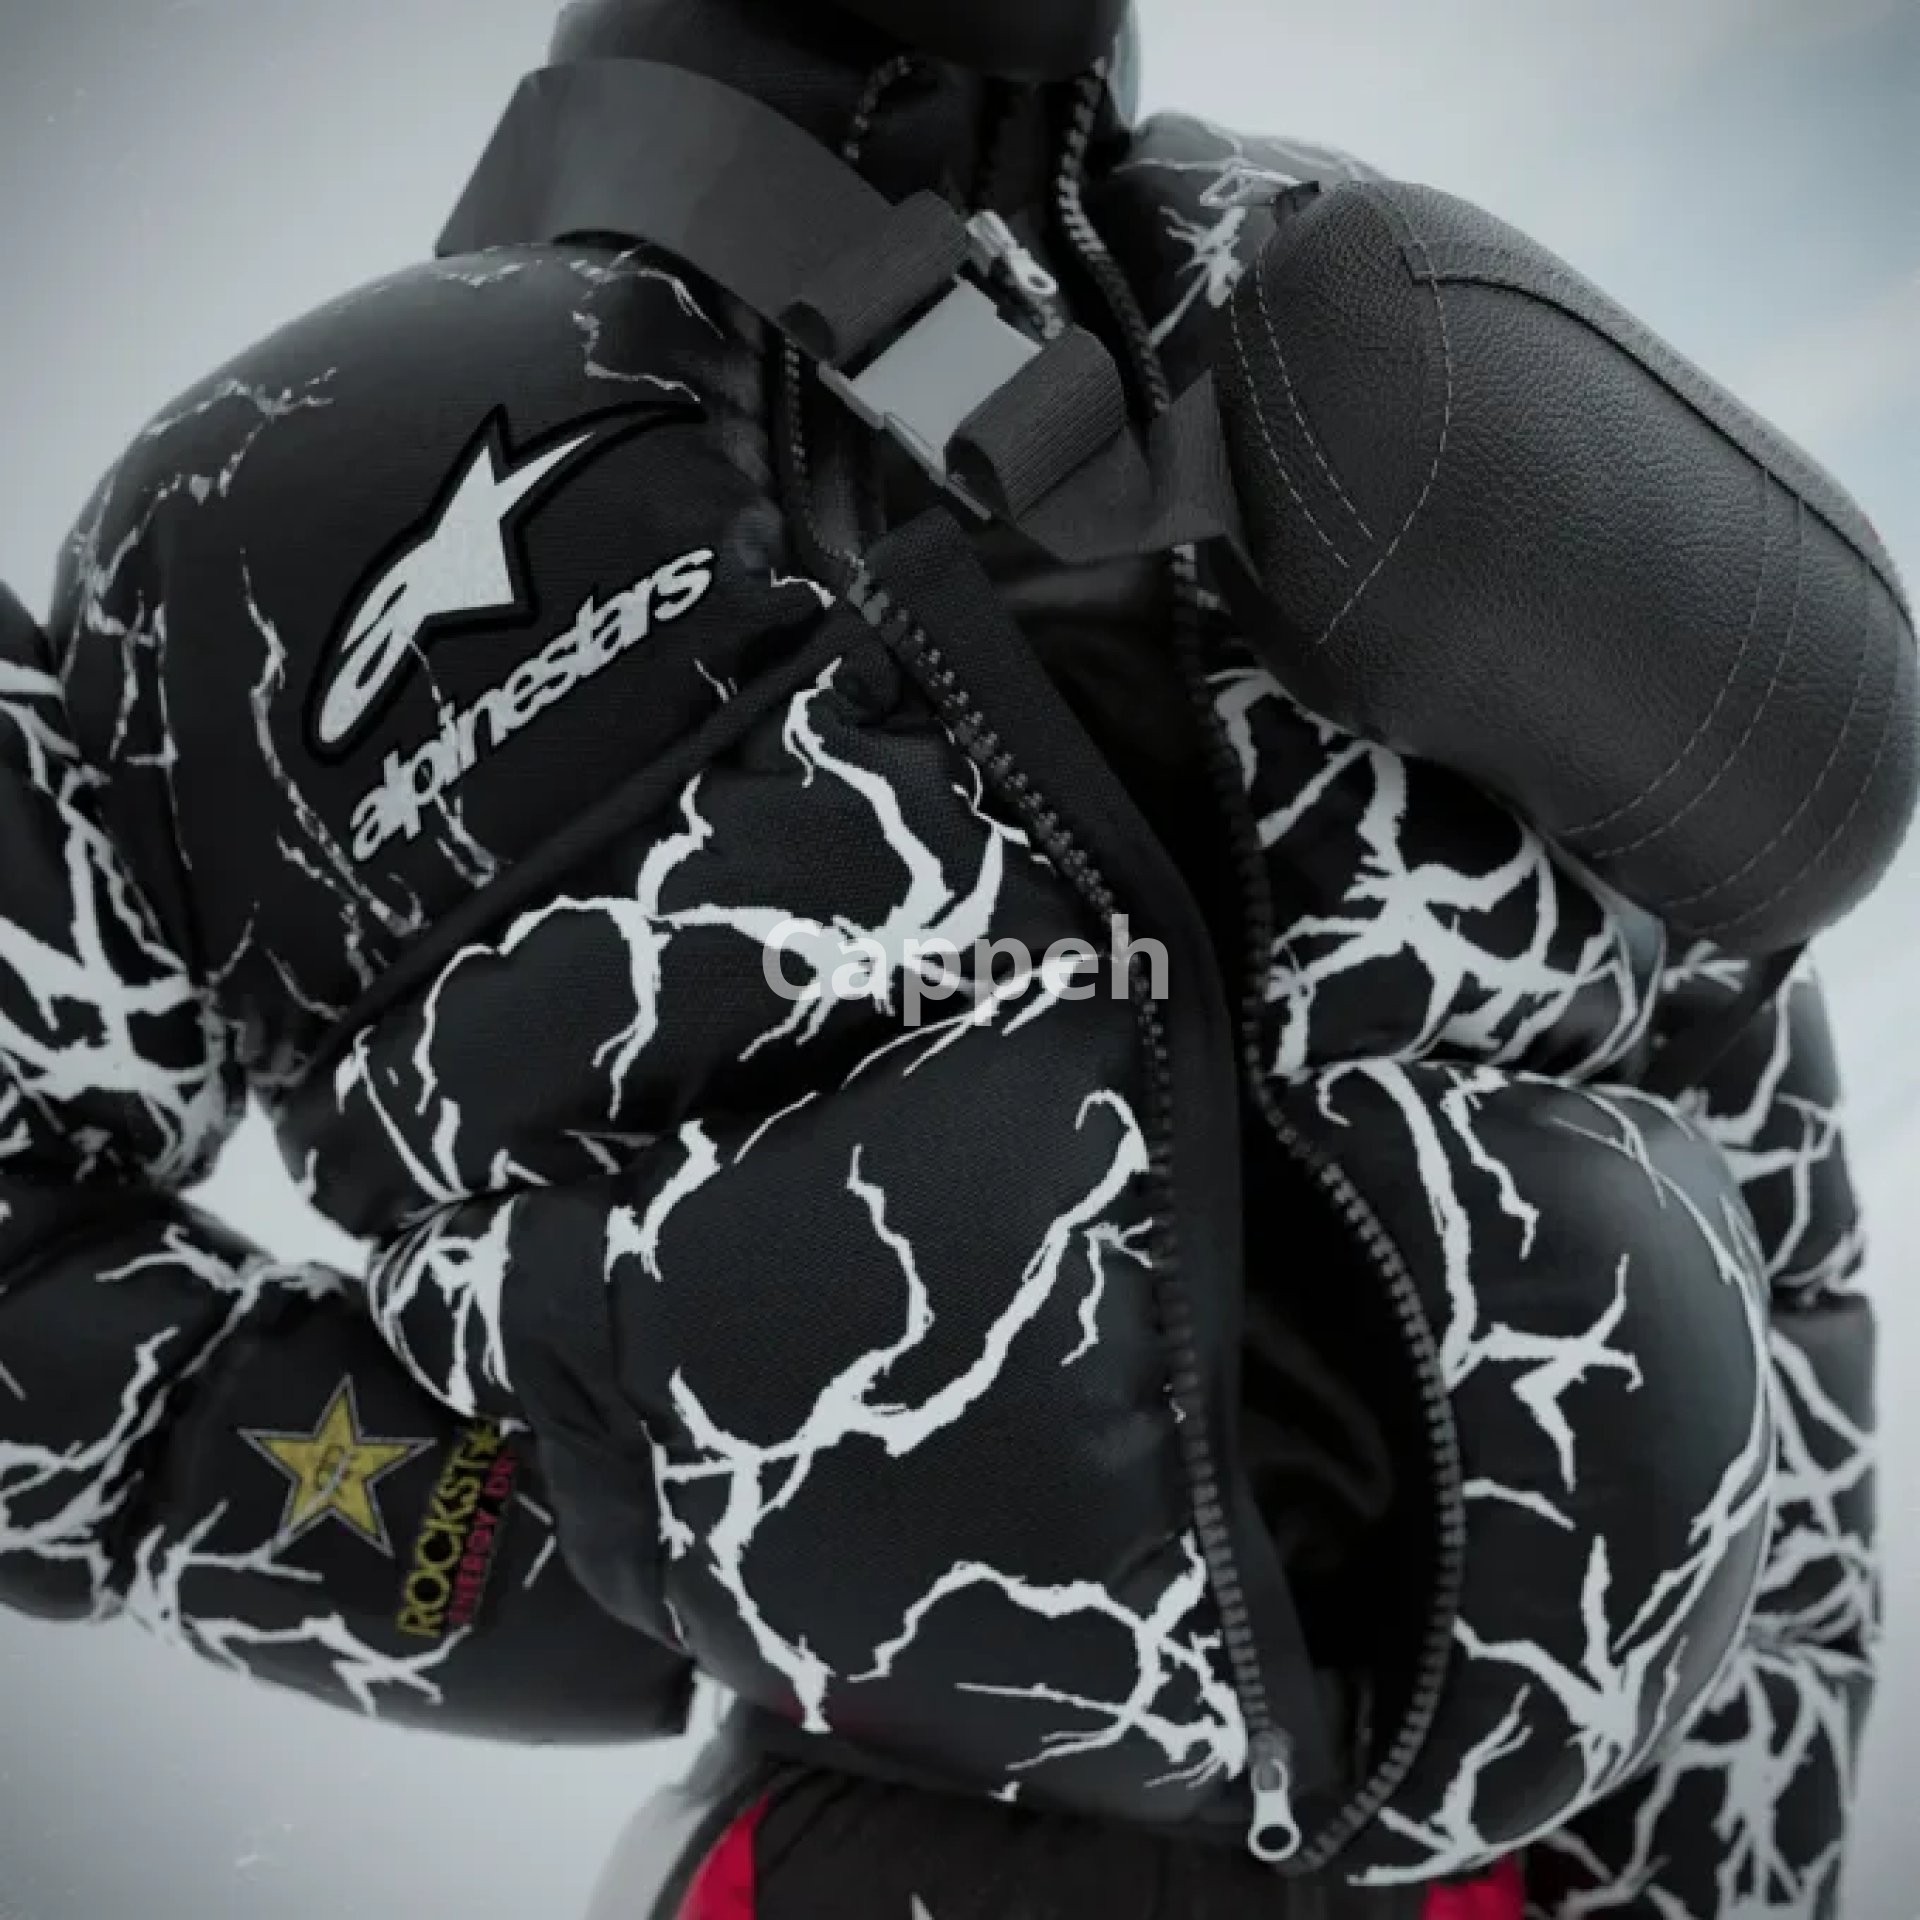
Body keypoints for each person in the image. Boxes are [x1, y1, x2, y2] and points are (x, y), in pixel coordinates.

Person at [0, 1, 1885, 1915]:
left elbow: (1722, 1024)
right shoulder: (279, 509)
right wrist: (519, 1543)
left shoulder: (1335, 307)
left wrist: (1727, 1818)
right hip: (908, 1852)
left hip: (1507, 1829)